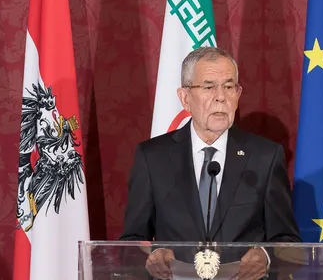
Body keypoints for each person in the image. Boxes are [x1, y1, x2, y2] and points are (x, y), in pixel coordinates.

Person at [121, 47, 300, 280]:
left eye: (229, 86)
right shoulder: (152, 157)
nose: (221, 96)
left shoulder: (265, 157)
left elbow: (288, 242)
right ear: (185, 98)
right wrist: (153, 255)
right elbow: (131, 243)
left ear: (238, 94)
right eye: (208, 87)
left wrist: (265, 256)